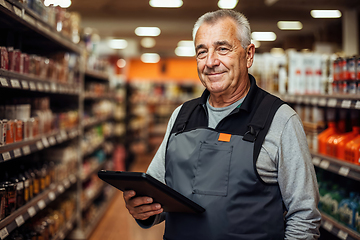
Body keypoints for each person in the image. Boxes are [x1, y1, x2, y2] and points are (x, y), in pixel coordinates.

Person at [124, 9, 321, 240]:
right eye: (202, 51)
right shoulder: (181, 116)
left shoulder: (280, 120)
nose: (210, 62)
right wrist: (144, 209)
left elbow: (304, 215)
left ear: (248, 55)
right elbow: (158, 193)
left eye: (223, 49)